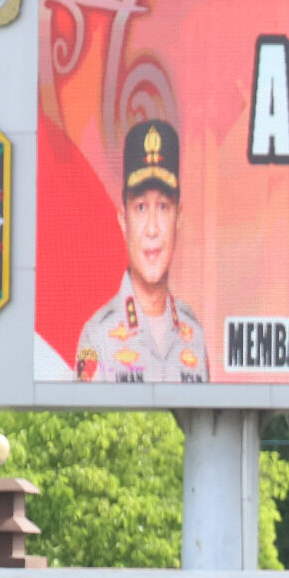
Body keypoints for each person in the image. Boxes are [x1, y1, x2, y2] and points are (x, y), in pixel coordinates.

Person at [75, 117, 206, 383]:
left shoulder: (194, 334)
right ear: (123, 219)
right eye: (141, 208)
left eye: (163, 207)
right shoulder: (97, 336)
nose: (152, 229)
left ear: (179, 219)